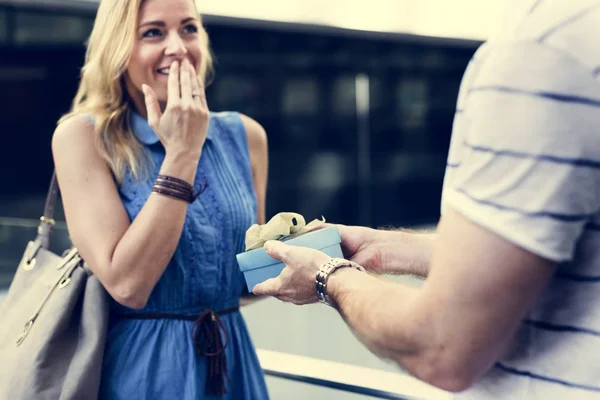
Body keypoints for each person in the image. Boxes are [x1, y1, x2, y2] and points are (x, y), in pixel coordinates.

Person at [253, 1, 600, 398]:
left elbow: (440, 346)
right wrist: (385, 249)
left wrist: (326, 276)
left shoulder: (542, 53)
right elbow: (533, 255)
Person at [51, 0, 269, 398]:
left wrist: (307, 250)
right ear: (119, 49)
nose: (178, 47)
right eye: (153, 32)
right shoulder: (82, 138)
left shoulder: (246, 135)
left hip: (232, 363)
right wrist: (183, 152)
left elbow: (242, 282)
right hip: (145, 372)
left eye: (189, 28)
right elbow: (128, 284)